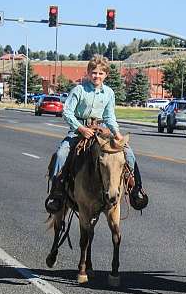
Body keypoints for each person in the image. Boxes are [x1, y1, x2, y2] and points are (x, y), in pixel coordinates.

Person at [45, 56, 146, 213]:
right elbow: (67, 112)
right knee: (61, 154)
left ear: (106, 75)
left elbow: (109, 116)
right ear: (88, 73)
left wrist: (117, 134)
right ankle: (56, 192)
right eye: (94, 72)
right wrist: (81, 129)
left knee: (128, 153)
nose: (97, 76)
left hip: (102, 130)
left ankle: (136, 189)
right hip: (79, 130)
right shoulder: (79, 90)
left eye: (100, 73)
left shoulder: (109, 93)